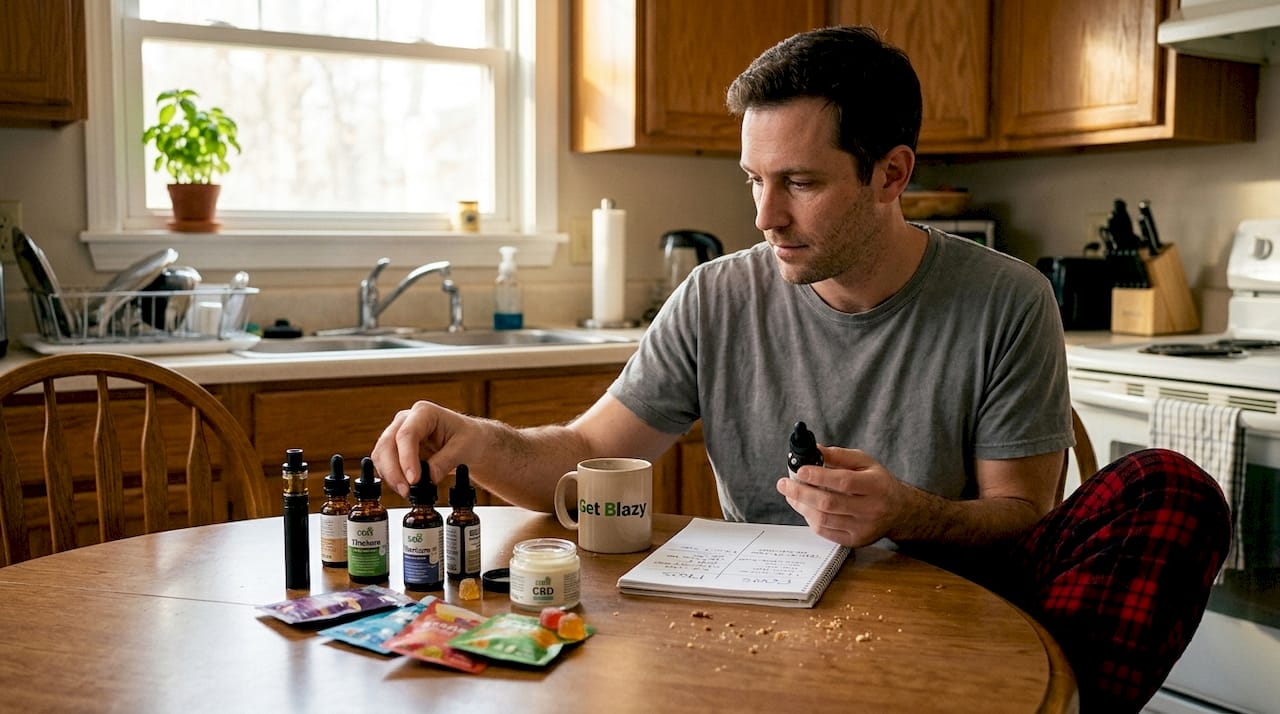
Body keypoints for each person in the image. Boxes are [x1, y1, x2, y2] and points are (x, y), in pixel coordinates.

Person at [374, 26, 1229, 712]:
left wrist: (905, 512)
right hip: (757, 623)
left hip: (958, 610)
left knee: (1172, 488)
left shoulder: (1006, 299)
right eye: (754, 178)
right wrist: (476, 440)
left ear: (892, 173)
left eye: (801, 183)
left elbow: (1018, 519)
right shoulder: (717, 296)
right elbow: (583, 460)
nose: (765, 215)